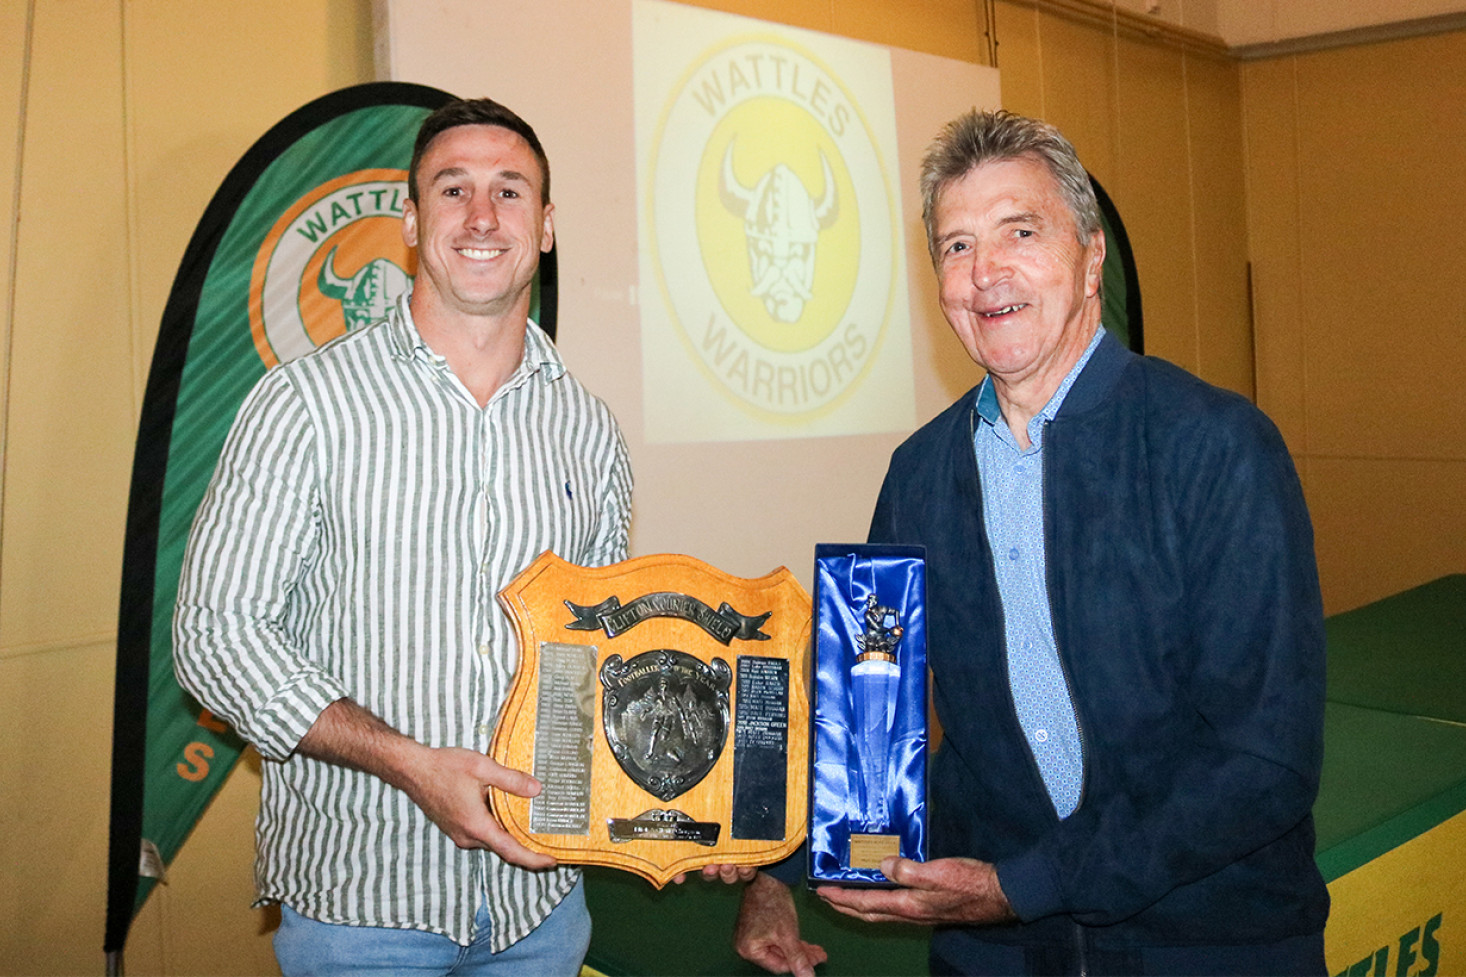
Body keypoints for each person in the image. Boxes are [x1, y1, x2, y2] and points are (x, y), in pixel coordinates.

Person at [732, 109, 1329, 976]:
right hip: (997, 957)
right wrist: (776, 870)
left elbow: (1264, 757)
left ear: (1090, 258)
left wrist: (1027, 882)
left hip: (1210, 942)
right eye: (957, 246)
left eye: (1020, 231)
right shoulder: (917, 476)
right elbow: (870, 723)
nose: (987, 273)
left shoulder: (1218, 446)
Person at [173, 97, 633, 976]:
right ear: (413, 222)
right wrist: (410, 763)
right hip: (363, 916)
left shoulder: (589, 429)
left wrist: (685, 796)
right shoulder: (304, 403)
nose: (482, 216)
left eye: (510, 190)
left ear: (544, 227)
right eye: (452, 188)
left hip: (543, 908)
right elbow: (213, 639)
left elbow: (591, 660)